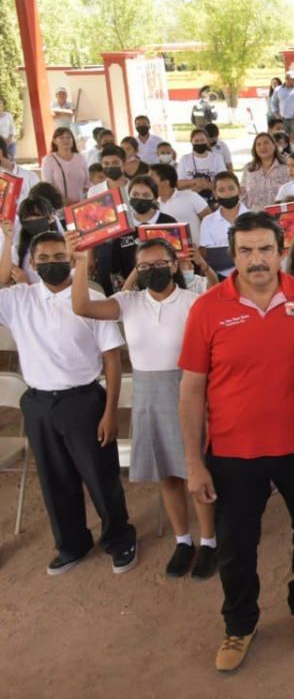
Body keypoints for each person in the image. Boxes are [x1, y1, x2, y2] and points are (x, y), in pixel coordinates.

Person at [180, 212, 294, 673]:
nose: (256, 260)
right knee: (235, 545)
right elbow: (190, 390)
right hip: (232, 453)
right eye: (245, 251)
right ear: (233, 253)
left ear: (280, 250)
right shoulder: (207, 307)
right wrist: (194, 462)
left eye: (265, 249)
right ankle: (240, 623)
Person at [67, 233, 216, 578]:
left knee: (197, 473)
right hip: (148, 397)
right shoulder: (128, 302)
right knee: (167, 474)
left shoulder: (194, 302)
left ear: (175, 264)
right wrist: (79, 261)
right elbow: (81, 307)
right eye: (144, 266)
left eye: (160, 264)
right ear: (136, 270)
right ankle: (183, 541)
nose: (152, 270)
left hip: (188, 392)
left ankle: (209, 542)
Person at [0, 226, 135, 575]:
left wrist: (110, 411)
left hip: (84, 402)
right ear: (30, 262)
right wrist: (7, 238)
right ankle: (72, 544)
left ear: (72, 259)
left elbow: (112, 357)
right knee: (54, 479)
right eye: (42, 258)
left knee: (100, 477)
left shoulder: (86, 297)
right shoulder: (19, 299)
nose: (50, 263)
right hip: (39, 404)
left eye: (59, 256)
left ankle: (119, 539)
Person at [198, 171, 249, 279]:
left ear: (239, 190)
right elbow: (207, 255)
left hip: (250, 275)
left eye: (231, 188)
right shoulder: (208, 221)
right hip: (220, 278)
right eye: (221, 190)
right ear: (215, 194)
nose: (227, 194)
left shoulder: (254, 218)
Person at [149, 163, 210, 242]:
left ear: (165, 182)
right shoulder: (152, 206)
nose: (147, 182)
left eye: (151, 179)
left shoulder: (190, 197)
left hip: (195, 251)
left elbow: (210, 220)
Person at [243, 132, 291, 211]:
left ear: (274, 145)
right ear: (255, 149)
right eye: (258, 144)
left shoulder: (286, 166)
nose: (262, 147)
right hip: (255, 216)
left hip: (281, 215)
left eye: (266, 143)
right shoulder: (249, 168)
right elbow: (243, 194)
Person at [41, 126, 88, 204]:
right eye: (61, 137)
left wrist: (83, 200)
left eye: (68, 137)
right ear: (55, 141)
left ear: (73, 140)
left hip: (80, 204)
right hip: (60, 205)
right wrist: (64, 201)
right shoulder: (49, 160)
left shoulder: (81, 158)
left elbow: (87, 183)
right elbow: (48, 186)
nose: (66, 140)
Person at [176, 127, 222, 196]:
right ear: (191, 142)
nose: (200, 143)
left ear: (207, 141)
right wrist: (195, 182)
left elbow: (224, 181)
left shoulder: (217, 158)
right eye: (196, 141)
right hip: (191, 199)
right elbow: (179, 184)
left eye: (202, 140)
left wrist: (207, 185)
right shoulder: (184, 159)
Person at [274, 69, 294, 144]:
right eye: (293, 79)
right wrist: (277, 114)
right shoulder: (278, 90)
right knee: (283, 138)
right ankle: (286, 153)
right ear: (287, 79)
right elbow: (273, 103)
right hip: (283, 119)